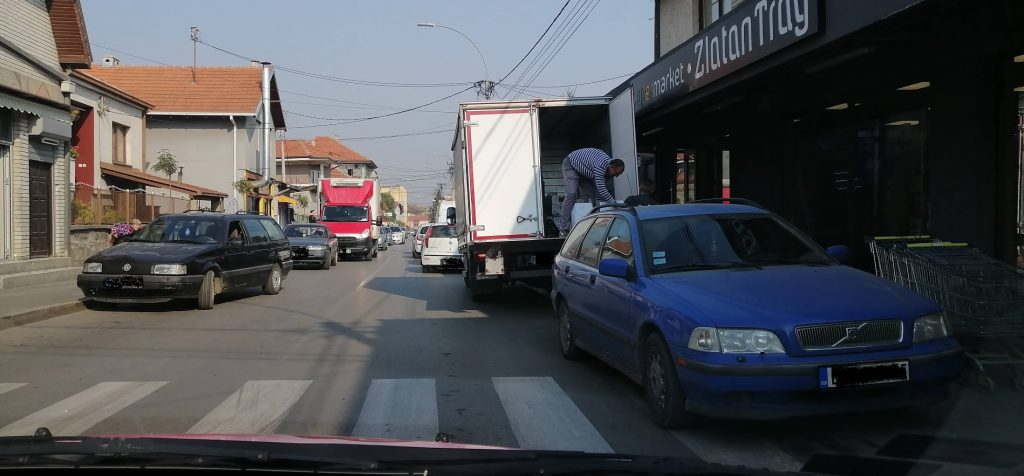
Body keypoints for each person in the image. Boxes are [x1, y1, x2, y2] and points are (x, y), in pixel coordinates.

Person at [558, 148, 625, 236]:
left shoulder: (608, 169)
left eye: (618, 174)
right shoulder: (600, 167)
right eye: (616, 173)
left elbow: (599, 195)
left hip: (586, 170)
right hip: (571, 165)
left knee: (590, 198)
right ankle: (563, 228)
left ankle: (590, 227)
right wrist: (614, 204)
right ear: (611, 167)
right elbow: (601, 189)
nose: (616, 176)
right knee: (571, 194)